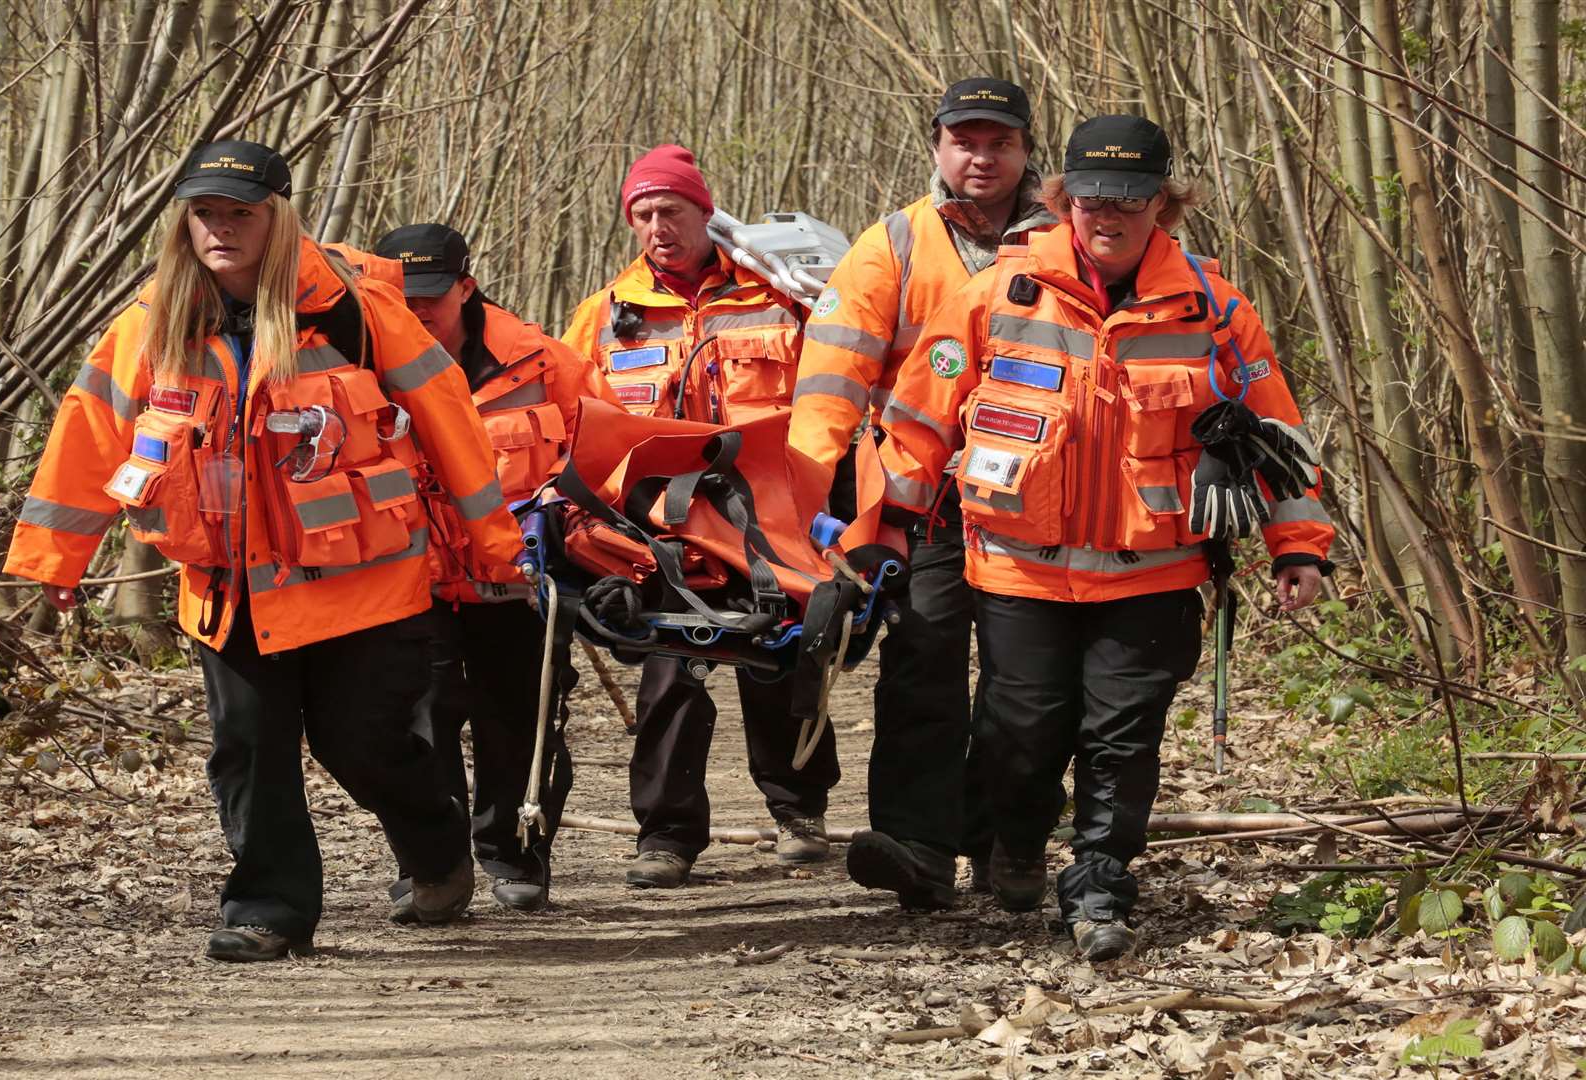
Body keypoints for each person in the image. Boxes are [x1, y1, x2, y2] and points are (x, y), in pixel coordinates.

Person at [2, 140, 523, 961]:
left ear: (277, 218)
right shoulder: (150, 325)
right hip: (230, 586)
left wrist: (495, 551)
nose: (219, 229)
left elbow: (450, 425)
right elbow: (89, 435)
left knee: (365, 744)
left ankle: (435, 851)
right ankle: (267, 909)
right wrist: (52, 560)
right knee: (249, 747)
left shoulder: (360, 313)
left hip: (366, 582)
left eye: (239, 213)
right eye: (204, 213)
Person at [878, 115, 1332, 960]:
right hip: (1020, 571)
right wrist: (882, 536)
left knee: (1122, 736)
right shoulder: (996, 297)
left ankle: (1099, 881)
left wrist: (1296, 545)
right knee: (1020, 733)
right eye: (1090, 198)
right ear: (1062, 199)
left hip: (1152, 572)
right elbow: (914, 427)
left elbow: (1278, 435)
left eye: (1129, 198)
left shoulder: (1218, 310)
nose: (1107, 215)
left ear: (1163, 202)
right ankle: (1015, 844)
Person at [786, 76, 1055, 910]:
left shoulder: (1067, 242)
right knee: (920, 668)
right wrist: (801, 508)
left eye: (999, 142)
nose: (982, 157)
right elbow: (831, 374)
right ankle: (918, 846)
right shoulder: (893, 244)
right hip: (920, 498)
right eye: (965, 140)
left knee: (1026, 688)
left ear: (1025, 151)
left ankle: (1012, 845)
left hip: (1040, 502)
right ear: (937, 145)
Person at [561, 144, 840, 887]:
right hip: (656, 525)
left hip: (767, 511)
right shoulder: (603, 315)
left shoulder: (776, 292)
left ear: (704, 212)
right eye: (644, 214)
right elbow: (572, 420)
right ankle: (667, 835)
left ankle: (799, 811)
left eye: (672, 210)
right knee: (670, 666)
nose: (658, 226)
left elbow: (836, 389)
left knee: (779, 654)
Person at [372, 223, 618, 915]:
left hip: (520, 584)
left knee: (521, 719)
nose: (416, 310)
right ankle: (432, 862)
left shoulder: (542, 362)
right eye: (400, 297)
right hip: (405, 582)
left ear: (466, 286)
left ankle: (516, 851)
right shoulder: (353, 363)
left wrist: (578, 529)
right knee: (418, 720)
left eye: (430, 295)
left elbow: (607, 453)